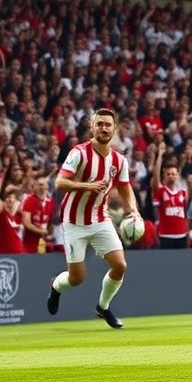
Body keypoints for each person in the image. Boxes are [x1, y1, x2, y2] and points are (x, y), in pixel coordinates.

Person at [47, 108, 141, 329]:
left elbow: (126, 188)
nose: (104, 128)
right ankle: (55, 287)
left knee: (120, 265)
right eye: (99, 124)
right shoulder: (79, 153)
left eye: (108, 124)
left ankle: (103, 307)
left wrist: (134, 210)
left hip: (100, 219)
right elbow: (60, 183)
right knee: (76, 278)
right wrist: (86, 186)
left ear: (114, 129)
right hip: (73, 223)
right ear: (92, 127)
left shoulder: (119, 160)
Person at [151, 145, 189, 249]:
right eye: (168, 174)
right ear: (164, 176)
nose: (171, 176)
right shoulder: (161, 191)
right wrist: (159, 156)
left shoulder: (182, 192)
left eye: (173, 174)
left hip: (182, 235)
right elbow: (155, 177)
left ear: (177, 175)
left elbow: (186, 214)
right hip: (166, 236)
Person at [21, 176, 56, 253]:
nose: (42, 187)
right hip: (29, 243)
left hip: (43, 243)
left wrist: (49, 232)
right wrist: (41, 231)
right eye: (40, 185)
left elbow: (50, 223)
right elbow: (26, 223)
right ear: (34, 187)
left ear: (47, 187)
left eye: (44, 185)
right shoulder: (29, 200)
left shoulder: (51, 202)